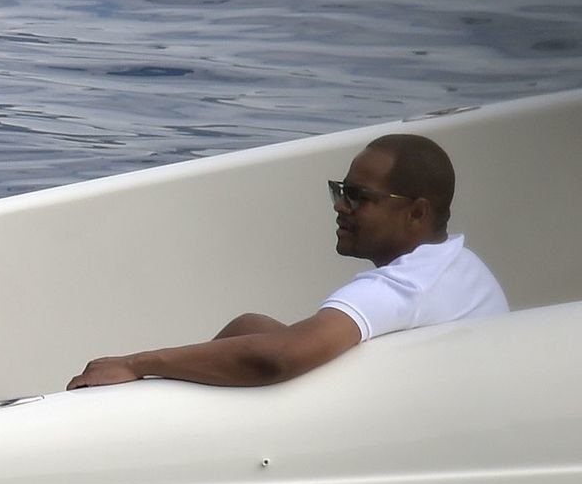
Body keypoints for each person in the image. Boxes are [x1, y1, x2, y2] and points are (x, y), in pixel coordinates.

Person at [68, 133, 507, 391]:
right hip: (437, 404)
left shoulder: (403, 288)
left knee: (256, 352)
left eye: (359, 197)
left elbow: (279, 358)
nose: (341, 207)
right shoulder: (461, 265)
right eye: (340, 191)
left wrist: (138, 364)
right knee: (248, 327)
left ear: (416, 212)